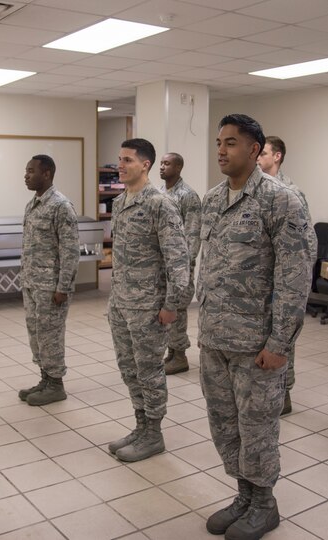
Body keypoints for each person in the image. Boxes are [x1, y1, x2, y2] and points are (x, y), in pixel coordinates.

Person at [200, 114, 311, 539]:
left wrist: (281, 342)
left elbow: (294, 277)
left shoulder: (281, 200)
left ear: (253, 149)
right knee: (224, 423)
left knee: (257, 427)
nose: (221, 151)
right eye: (218, 142)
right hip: (216, 337)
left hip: (257, 343)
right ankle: (243, 494)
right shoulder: (213, 199)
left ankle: (264, 503)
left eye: (231, 143)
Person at [107, 138, 189, 463]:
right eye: (120, 159)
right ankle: (140, 425)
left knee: (150, 371)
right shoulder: (119, 203)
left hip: (149, 308)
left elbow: (178, 261)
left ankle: (154, 433)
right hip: (121, 304)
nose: (121, 165)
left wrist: (172, 305)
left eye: (127, 160)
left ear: (146, 165)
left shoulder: (160, 204)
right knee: (129, 369)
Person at [257, 135, 316, 415]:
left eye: (264, 153)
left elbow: (305, 245)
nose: (258, 157)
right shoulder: (254, 190)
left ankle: (286, 392)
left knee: (282, 338)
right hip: (257, 285)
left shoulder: (291, 193)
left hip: (281, 283)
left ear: (277, 156)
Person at [18, 154, 80, 406]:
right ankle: (45, 378)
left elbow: (70, 250)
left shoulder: (60, 206)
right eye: (26, 170)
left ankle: (56, 384)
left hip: (51, 287)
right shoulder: (33, 204)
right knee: (36, 334)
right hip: (32, 283)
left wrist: (63, 287)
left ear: (47, 174)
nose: (26, 175)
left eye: (31, 170)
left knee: (51, 335)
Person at [159, 152, 201, 375]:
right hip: (161, 264)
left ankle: (180, 355)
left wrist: (185, 264)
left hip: (179, 265)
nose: (162, 167)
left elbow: (193, 233)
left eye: (167, 164)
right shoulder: (158, 193)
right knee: (165, 310)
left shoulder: (188, 195)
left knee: (177, 310)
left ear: (179, 167)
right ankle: (171, 352)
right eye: (161, 163)